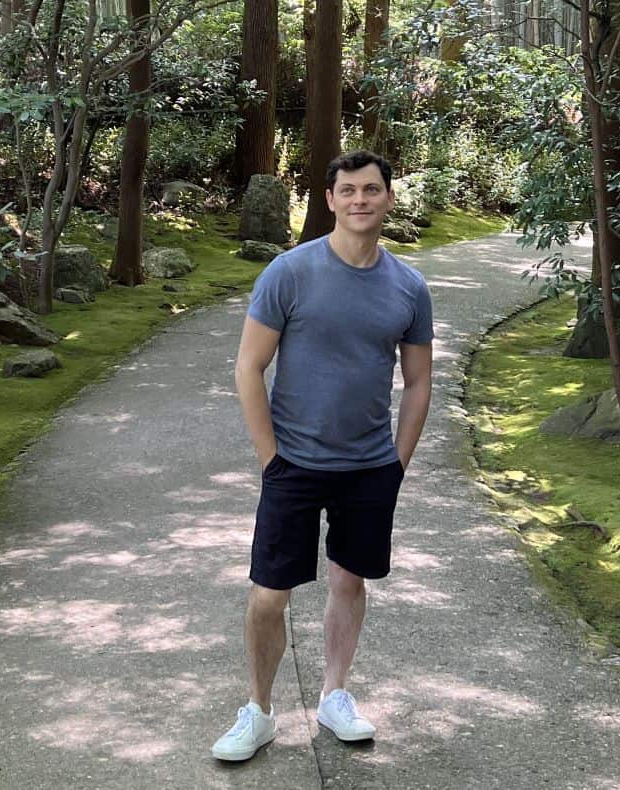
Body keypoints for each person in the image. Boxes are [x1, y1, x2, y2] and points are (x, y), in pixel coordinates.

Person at [211, 150, 434, 762]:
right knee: (268, 593)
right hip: (295, 466)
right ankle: (257, 710)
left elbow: (418, 383)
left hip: (368, 466)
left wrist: (397, 463)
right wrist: (271, 458)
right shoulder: (289, 272)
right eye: (348, 191)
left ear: (389, 198)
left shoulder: (409, 287)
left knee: (349, 578)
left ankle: (335, 694)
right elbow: (249, 367)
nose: (360, 200)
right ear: (330, 200)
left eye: (371, 190)